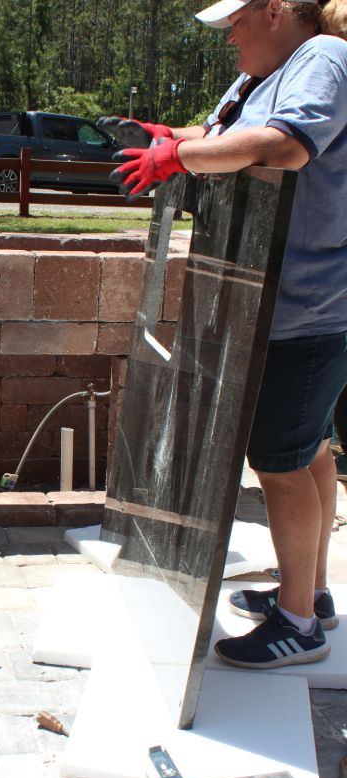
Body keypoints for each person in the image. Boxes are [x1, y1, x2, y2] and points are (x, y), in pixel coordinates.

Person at [110, 0, 347, 669]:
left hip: (306, 307)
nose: (230, 36)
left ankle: (299, 625)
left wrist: (181, 155)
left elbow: (285, 145)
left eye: (237, 22)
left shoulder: (324, 57)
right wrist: (180, 136)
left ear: (275, 11)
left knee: (279, 460)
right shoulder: (265, 76)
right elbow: (237, 133)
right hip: (284, 302)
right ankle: (313, 592)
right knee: (308, 448)